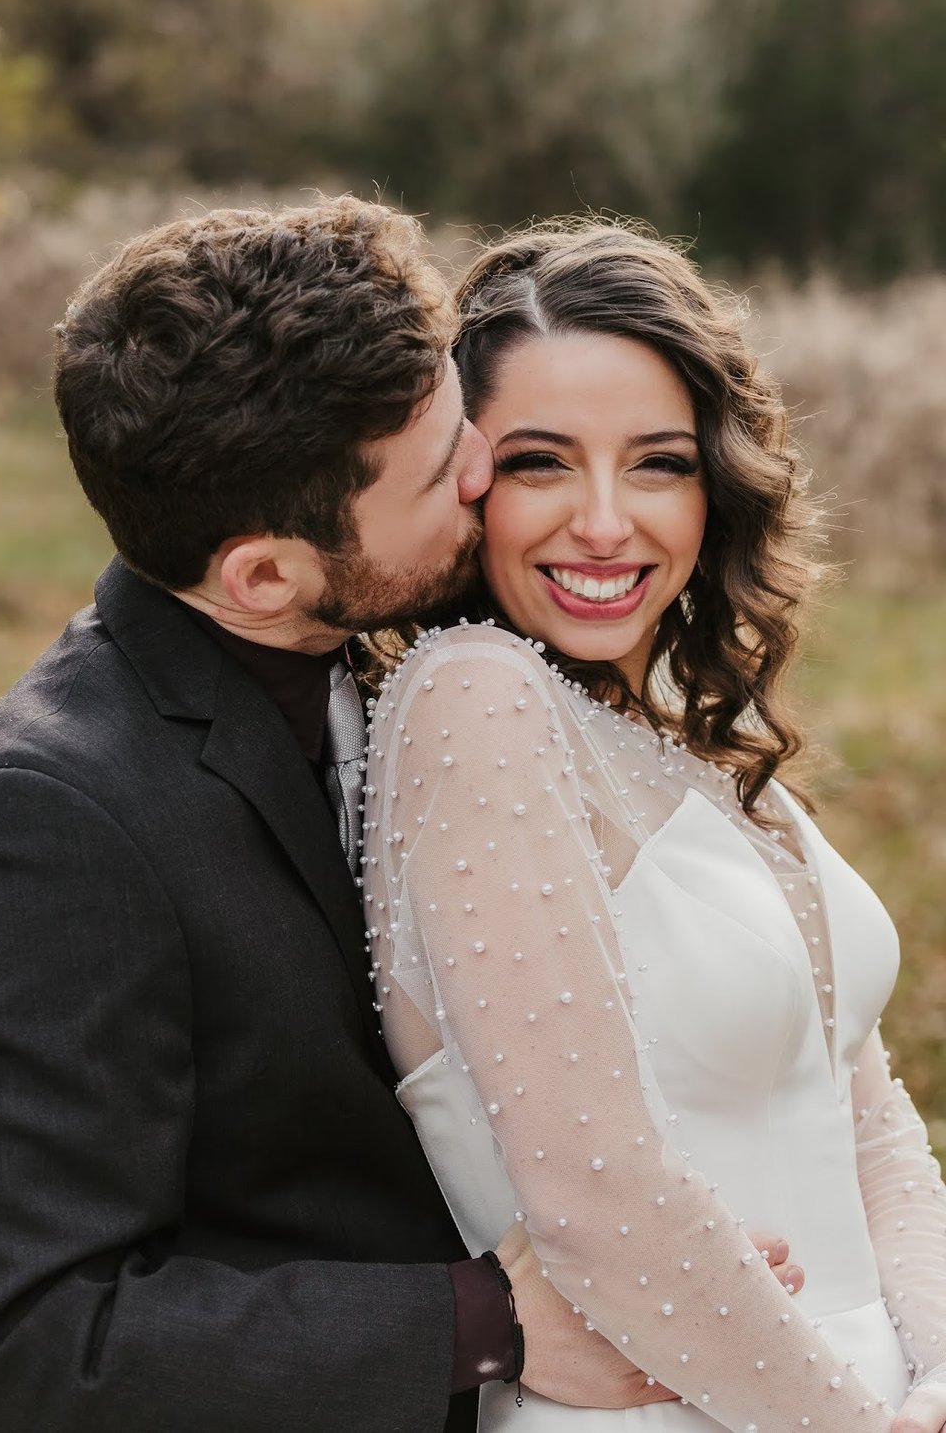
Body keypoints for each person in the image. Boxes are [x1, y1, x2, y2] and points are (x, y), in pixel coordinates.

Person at [0, 197, 777, 1433]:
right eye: (440, 472)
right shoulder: (49, 825)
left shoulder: (403, 650)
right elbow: (44, 1339)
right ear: (264, 574)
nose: (484, 468)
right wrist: (485, 1321)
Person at [361, 220, 946, 1433]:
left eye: (657, 463)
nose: (603, 522)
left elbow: (864, 1120)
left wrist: (936, 1370)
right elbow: (597, 1200)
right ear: (464, 478)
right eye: (539, 462)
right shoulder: (475, 700)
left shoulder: (691, 721)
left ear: (714, 483)